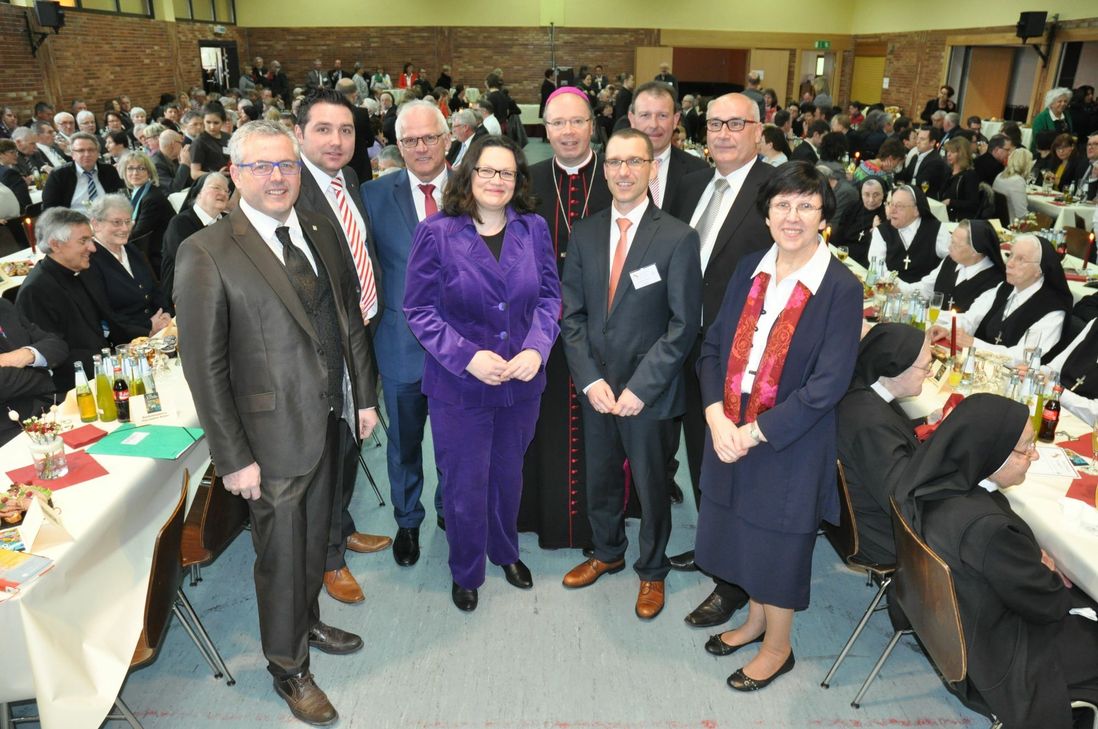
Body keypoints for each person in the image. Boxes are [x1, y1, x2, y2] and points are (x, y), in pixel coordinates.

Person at [175, 120, 377, 725]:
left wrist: (363, 396)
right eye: (261, 166)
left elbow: (347, 320)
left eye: (286, 164)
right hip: (269, 439)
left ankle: (306, 621)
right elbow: (205, 368)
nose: (276, 177)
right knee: (282, 555)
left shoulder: (318, 227)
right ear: (234, 174)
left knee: (315, 539)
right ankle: (288, 668)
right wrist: (232, 457)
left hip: (331, 418)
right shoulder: (206, 252)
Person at [693, 161, 862, 690]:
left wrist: (753, 433)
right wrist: (715, 416)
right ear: (766, 214)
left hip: (790, 437)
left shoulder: (840, 287)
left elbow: (828, 385)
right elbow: (713, 347)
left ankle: (778, 647)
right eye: (782, 204)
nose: (792, 216)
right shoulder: (750, 268)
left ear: (823, 217)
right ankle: (755, 622)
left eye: (806, 206)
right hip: (730, 423)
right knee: (742, 529)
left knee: (777, 542)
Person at [404, 135, 560, 611]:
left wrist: (537, 348)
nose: (497, 180)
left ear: (518, 180)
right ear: (468, 174)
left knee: (509, 475)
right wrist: (467, 356)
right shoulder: (436, 232)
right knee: (464, 484)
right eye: (487, 170)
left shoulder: (533, 228)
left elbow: (550, 297)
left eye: (507, 172)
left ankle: (505, 550)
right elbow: (419, 309)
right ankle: (466, 569)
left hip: (520, 382)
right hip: (459, 385)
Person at [560, 128, 701, 620]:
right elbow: (571, 315)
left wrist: (642, 387)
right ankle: (607, 551)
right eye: (615, 162)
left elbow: (684, 325)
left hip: (650, 393)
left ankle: (653, 569)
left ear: (651, 169)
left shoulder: (678, 237)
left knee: (651, 486)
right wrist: (589, 380)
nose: (624, 171)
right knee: (599, 477)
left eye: (634, 162)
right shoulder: (585, 232)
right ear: (604, 170)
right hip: (598, 388)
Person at [895, 394, 1098, 729]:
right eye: (1026, 448)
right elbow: (1049, 605)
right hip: (999, 659)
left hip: (956, 632)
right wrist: (1043, 570)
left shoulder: (932, 483)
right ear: (992, 451)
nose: (1034, 455)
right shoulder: (989, 530)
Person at [665, 93, 777, 602]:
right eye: (714, 124)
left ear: (758, 131)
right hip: (689, 345)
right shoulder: (693, 185)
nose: (724, 134)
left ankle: (735, 579)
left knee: (736, 462)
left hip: (744, 353)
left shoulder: (775, 190)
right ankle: (711, 543)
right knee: (701, 452)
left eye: (736, 123)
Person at [294, 89, 391, 604]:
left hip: (363, 330)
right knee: (329, 451)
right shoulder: (292, 190)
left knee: (354, 438)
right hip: (327, 346)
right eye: (324, 129)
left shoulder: (348, 178)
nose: (337, 140)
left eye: (346, 130)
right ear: (299, 134)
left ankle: (342, 525)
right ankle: (329, 557)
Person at [520, 87, 614, 551]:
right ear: (546, 128)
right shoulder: (529, 180)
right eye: (558, 123)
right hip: (542, 332)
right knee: (546, 426)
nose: (568, 131)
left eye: (577, 121)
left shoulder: (615, 176)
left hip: (604, 331)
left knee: (601, 429)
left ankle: (602, 526)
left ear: (592, 125)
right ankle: (545, 517)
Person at [361, 100, 450, 566]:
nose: (421, 147)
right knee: (404, 444)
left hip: (462, 349)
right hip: (400, 345)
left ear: (447, 139)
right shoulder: (373, 195)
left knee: (455, 443)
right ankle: (408, 521)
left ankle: (449, 512)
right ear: (398, 145)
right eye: (410, 140)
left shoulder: (474, 187)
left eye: (429, 137)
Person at [15, 207, 149, 393]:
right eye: (83, 241)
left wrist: (148, 335)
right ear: (56, 245)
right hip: (78, 387)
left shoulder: (82, 271)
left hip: (107, 368)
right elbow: (54, 354)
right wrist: (113, 362)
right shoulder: (35, 292)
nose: (93, 248)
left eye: (91, 239)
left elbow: (111, 320)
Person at [836, 324, 929, 565]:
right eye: (925, 367)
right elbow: (903, 503)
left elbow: (891, 432)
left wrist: (927, 423)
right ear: (897, 370)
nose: (929, 374)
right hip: (879, 536)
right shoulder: (872, 424)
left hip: (856, 515)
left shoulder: (860, 390)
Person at [928, 234, 1070, 361]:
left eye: (1021, 259)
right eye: (1010, 255)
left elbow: (1024, 357)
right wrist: (949, 330)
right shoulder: (1005, 288)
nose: (1010, 263)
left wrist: (975, 344)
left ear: (1040, 269)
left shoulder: (1052, 310)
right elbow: (971, 319)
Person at [85, 194, 170, 336]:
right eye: (117, 222)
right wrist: (148, 328)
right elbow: (106, 315)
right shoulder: (90, 260)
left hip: (160, 329)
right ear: (96, 224)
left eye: (128, 221)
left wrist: (165, 313)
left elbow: (155, 288)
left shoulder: (131, 249)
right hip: (127, 339)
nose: (125, 228)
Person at [628, 81, 708, 211]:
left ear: (675, 120)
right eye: (645, 115)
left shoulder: (698, 171)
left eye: (662, 116)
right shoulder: (608, 169)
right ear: (632, 119)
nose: (654, 125)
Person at [895, 219, 1006, 312]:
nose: (949, 247)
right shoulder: (951, 260)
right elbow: (926, 289)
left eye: (955, 244)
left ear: (975, 251)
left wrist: (924, 313)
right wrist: (897, 288)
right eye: (951, 241)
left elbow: (971, 320)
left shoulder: (994, 281)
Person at [0, 298, 68, 446]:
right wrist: (46, 373)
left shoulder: (3, 306)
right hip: (7, 428)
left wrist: (28, 353)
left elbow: (56, 344)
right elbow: (4, 384)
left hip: (47, 407)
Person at [160, 172, 229, 312]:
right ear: (198, 193)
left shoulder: (229, 221)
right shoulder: (180, 223)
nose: (223, 193)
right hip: (187, 297)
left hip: (223, 292)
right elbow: (190, 265)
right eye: (216, 187)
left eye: (227, 191)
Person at [868, 184, 948, 283]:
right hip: (889, 288)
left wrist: (922, 286)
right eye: (891, 204)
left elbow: (952, 261)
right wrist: (900, 287)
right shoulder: (881, 231)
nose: (892, 210)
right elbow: (877, 268)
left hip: (926, 290)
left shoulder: (937, 230)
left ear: (916, 210)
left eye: (899, 206)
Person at [120, 150, 173, 275]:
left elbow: (139, 234)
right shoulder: (139, 192)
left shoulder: (152, 198)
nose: (135, 173)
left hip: (158, 257)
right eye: (130, 168)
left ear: (149, 172)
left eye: (141, 168)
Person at [41, 132, 124, 211]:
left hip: (106, 218)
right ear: (73, 154)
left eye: (91, 150)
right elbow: (49, 210)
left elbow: (121, 198)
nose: (87, 154)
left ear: (97, 153)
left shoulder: (109, 171)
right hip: (72, 219)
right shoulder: (58, 175)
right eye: (81, 151)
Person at [189, 102, 230, 180]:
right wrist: (217, 175)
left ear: (223, 122)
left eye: (216, 123)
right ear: (203, 121)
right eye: (208, 122)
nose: (212, 127)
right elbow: (194, 173)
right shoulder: (199, 142)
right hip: (210, 183)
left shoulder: (227, 137)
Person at [993, 147, 1034, 222]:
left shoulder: (1000, 175)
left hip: (997, 220)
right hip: (1012, 223)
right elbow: (1021, 215)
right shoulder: (1018, 181)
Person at [1030, 88, 1074, 152]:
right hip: (1045, 152)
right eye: (1059, 101)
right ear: (1051, 104)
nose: (1063, 104)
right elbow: (1037, 141)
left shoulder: (1067, 115)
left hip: (1063, 152)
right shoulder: (1041, 118)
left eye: (1065, 101)